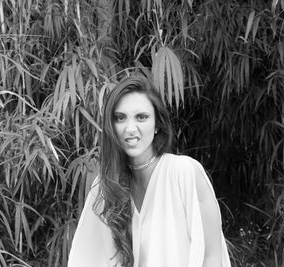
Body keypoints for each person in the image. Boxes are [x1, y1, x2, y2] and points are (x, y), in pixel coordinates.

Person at [68, 74, 231, 267]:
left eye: (142, 117)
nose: (130, 129)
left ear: (157, 125)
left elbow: (212, 257)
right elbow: (86, 258)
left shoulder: (184, 173)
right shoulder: (105, 187)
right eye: (120, 118)